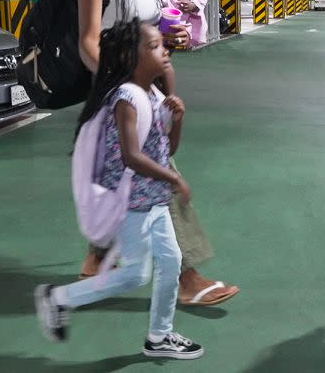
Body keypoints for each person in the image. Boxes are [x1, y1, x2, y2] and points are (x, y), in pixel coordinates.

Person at [77, 0, 238, 307]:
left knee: (124, 180)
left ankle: (98, 254)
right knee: (158, 175)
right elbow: (89, 41)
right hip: (120, 98)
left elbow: (146, 28)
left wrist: (170, 35)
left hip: (145, 92)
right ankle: (187, 276)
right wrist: (121, 87)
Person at [35, 19, 204, 360]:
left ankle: (160, 335)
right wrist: (173, 179)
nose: (164, 50)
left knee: (170, 264)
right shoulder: (126, 98)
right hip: (132, 204)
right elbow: (131, 156)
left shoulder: (152, 94)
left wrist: (179, 119)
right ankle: (58, 298)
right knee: (134, 276)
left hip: (154, 201)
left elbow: (166, 150)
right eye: (155, 46)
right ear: (131, 56)